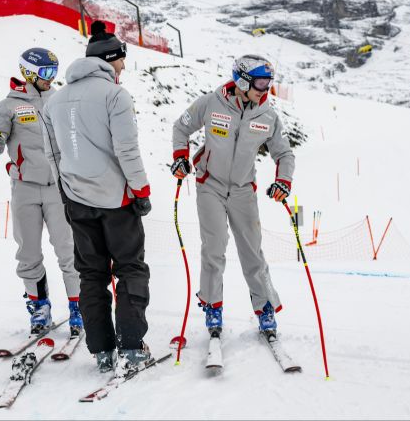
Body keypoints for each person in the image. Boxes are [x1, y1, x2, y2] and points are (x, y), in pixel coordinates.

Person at [40, 21, 152, 377]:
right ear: (108, 59)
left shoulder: (55, 101)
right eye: (121, 59)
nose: (123, 66)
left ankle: (102, 351)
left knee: (91, 274)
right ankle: (132, 347)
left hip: (77, 199)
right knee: (130, 269)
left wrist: (65, 190)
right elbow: (127, 150)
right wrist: (141, 190)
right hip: (117, 201)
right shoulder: (115, 95)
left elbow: (53, 153)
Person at [170, 54, 295, 339]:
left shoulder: (267, 116)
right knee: (214, 249)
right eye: (261, 83)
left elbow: (284, 154)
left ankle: (265, 308)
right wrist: (180, 157)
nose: (265, 89)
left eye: (269, 83)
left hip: (243, 190)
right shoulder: (211, 103)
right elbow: (181, 127)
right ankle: (212, 305)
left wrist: (283, 181)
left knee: (253, 253)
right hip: (210, 185)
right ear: (243, 81)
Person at [0, 48, 81, 336]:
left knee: (68, 250)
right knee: (28, 253)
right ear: (29, 72)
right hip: (25, 188)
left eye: (55, 71)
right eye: (46, 72)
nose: (51, 78)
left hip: (58, 188)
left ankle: (78, 307)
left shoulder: (60, 100)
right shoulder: (9, 106)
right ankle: (40, 307)